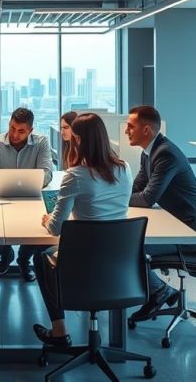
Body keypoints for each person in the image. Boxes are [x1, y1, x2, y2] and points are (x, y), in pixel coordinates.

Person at [32, 113, 131, 347]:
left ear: (77, 139)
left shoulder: (75, 176)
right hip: (119, 256)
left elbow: (56, 228)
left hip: (84, 258)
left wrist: (47, 218)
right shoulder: (124, 168)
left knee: (39, 257)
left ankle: (59, 330)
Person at [123, 106, 196, 322]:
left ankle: (160, 291)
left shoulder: (165, 154)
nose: (126, 131)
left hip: (189, 233)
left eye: (130, 126)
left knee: (126, 247)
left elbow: (147, 198)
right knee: (126, 242)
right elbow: (137, 188)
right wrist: (118, 194)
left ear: (147, 129)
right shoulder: (150, 152)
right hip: (175, 224)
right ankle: (155, 291)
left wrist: (114, 199)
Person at [0, 107, 54, 281]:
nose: (15, 134)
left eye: (21, 131)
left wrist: (33, 181)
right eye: (12, 128)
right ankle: (6, 254)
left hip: (31, 196)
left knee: (37, 228)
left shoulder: (41, 142)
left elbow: (48, 173)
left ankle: (23, 260)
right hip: (1, 196)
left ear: (30, 130)